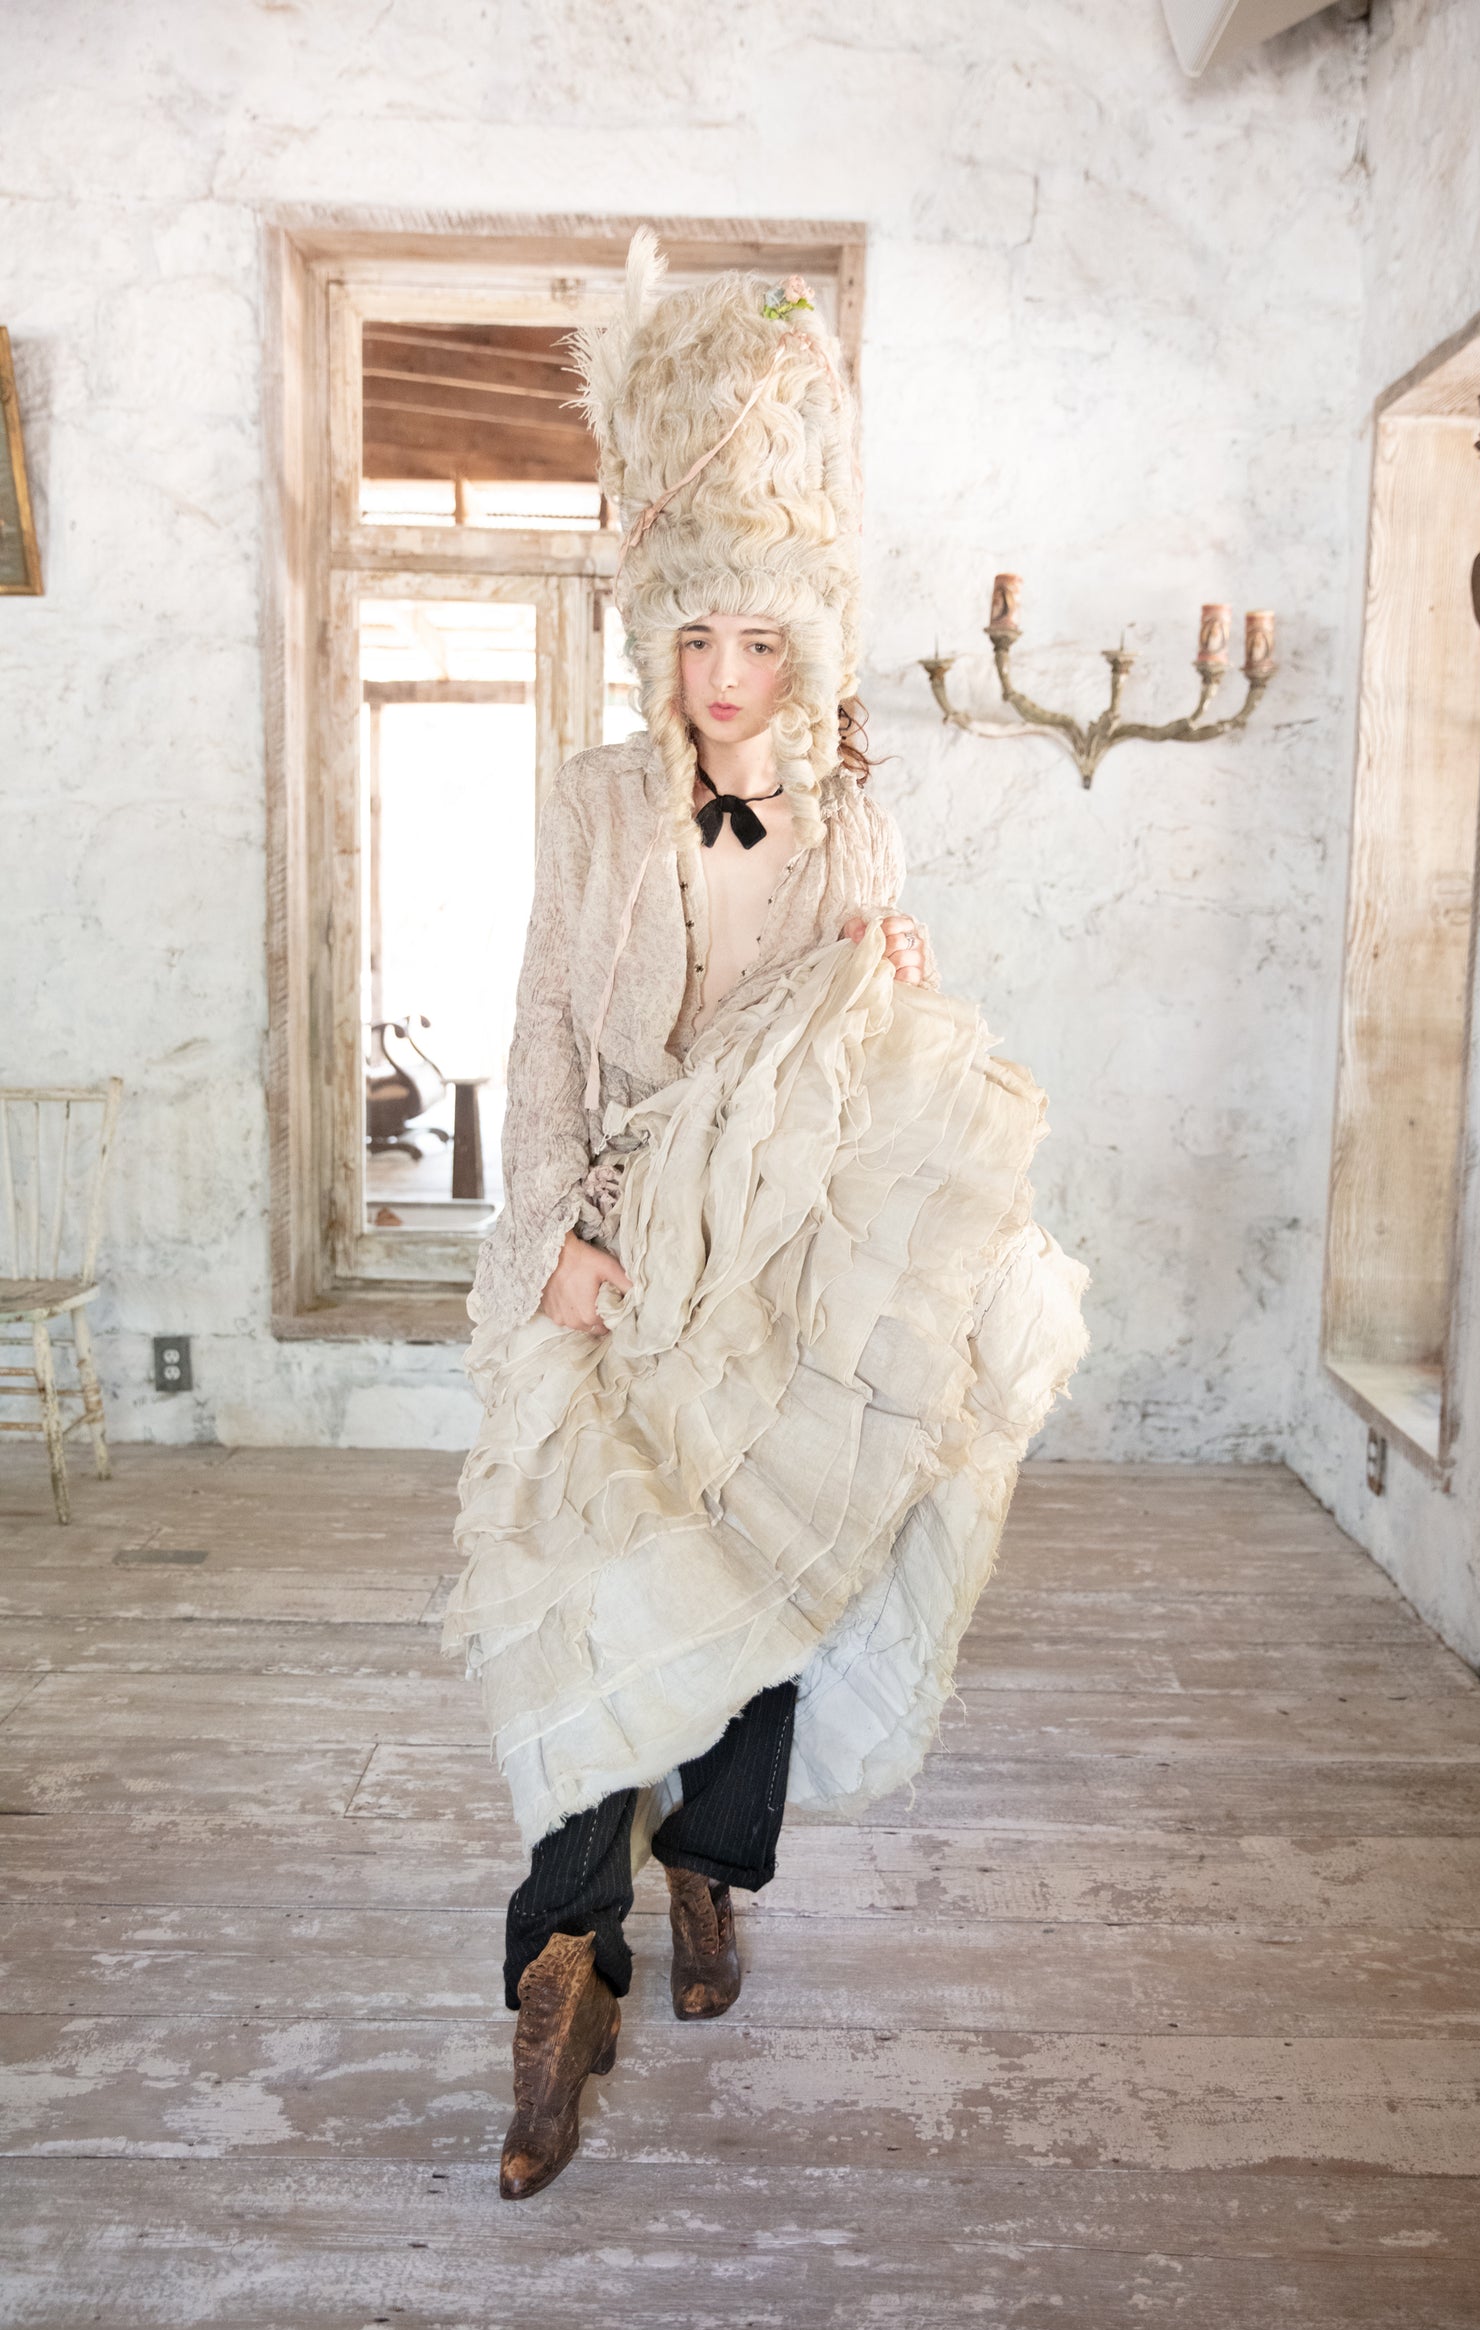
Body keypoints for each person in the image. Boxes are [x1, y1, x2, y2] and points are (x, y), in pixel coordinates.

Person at [444, 235, 1089, 2201]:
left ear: (802, 638)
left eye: (758, 639)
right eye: (693, 639)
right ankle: (563, 1969)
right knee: (575, 1580)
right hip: (616, 1236)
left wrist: (896, 983)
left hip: (785, 1247)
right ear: (653, 634)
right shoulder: (589, 803)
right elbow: (539, 1040)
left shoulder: (854, 818)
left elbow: (863, 1056)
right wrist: (550, 1238)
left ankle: (710, 1868)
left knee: (780, 1563)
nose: (723, 679)